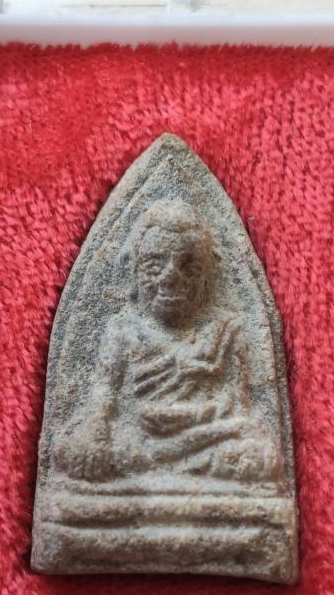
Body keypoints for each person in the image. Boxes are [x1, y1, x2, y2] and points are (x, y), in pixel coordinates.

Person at [54, 199, 283, 486]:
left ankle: (163, 468)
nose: (171, 278)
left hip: (209, 435)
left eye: (189, 267)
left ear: (207, 275)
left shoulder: (227, 330)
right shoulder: (123, 330)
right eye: (154, 265)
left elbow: (238, 405)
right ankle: (170, 469)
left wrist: (217, 421)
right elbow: (103, 397)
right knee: (77, 453)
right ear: (134, 270)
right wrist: (95, 430)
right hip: (139, 432)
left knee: (262, 457)